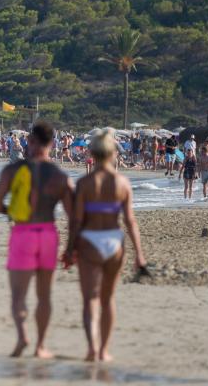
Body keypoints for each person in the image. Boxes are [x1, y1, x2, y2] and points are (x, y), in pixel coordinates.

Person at [0, 121, 74, 359]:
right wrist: (70, 248)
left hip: (23, 233)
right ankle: (41, 346)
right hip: (48, 234)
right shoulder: (60, 175)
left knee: (18, 295)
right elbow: (73, 215)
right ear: (52, 143)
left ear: (31, 141)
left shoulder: (13, 170)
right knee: (44, 295)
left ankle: (22, 337)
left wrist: (13, 212)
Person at [64, 129, 146, 363]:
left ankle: (92, 348)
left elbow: (76, 220)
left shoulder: (85, 183)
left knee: (90, 298)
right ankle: (104, 351)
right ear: (112, 154)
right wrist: (139, 254)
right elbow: (130, 221)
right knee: (108, 299)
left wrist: (70, 248)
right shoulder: (122, 182)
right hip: (113, 240)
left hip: (90, 239)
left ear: (92, 154)